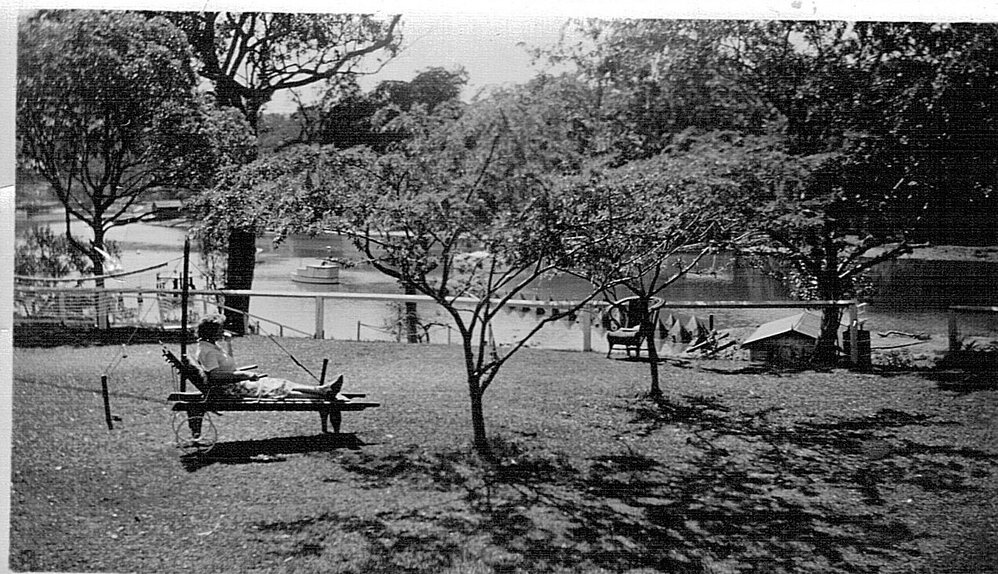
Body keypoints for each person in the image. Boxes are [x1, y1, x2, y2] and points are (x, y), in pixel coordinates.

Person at [193, 314, 344, 400]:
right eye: (220, 329)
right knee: (277, 389)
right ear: (211, 331)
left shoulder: (211, 346)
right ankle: (323, 393)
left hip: (235, 383)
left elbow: (229, 365)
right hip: (230, 389)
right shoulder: (207, 351)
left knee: (281, 384)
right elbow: (215, 376)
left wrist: (229, 344)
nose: (222, 331)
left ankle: (321, 390)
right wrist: (244, 375)